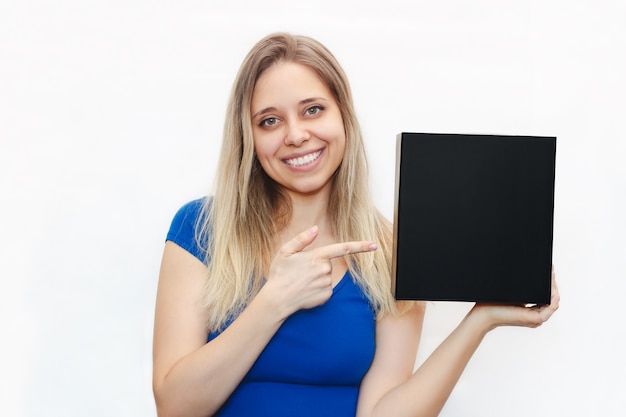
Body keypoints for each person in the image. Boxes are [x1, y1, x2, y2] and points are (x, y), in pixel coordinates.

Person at [152, 32, 560, 417]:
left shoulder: (390, 252)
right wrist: (274, 301)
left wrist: (481, 318)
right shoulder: (202, 229)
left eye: (313, 109)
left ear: (343, 116)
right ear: (249, 137)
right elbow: (175, 406)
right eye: (269, 121)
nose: (296, 135)